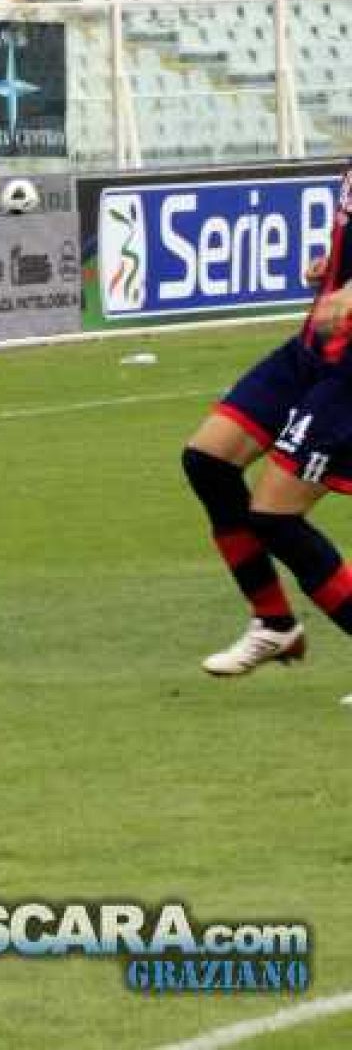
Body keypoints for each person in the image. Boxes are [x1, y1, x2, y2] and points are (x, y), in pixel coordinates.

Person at [184, 165, 352, 684]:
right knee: (208, 460)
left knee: (275, 517)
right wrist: (334, 271)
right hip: (314, 349)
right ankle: (274, 622)